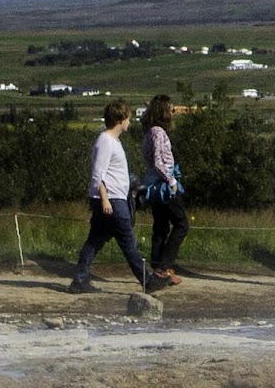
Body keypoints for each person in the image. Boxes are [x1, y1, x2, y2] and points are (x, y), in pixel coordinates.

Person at [70, 101, 154, 294]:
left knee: (94, 241)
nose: (129, 123)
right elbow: (98, 173)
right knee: (128, 241)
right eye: (127, 119)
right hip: (112, 200)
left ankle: (79, 280)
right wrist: (105, 199)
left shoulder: (112, 141)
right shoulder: (106, 141)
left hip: (115, 198)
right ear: (119, 120)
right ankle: (146, 280)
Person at [137, 94, 190, 286]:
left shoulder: (149, 131)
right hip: (163, 185)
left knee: (160, 226)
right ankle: (164, 266)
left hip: (153, 184)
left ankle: (160, 265)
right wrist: (172, 181)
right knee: (181, 224)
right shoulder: (158, 132)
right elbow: (159, 162)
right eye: (171, 108)